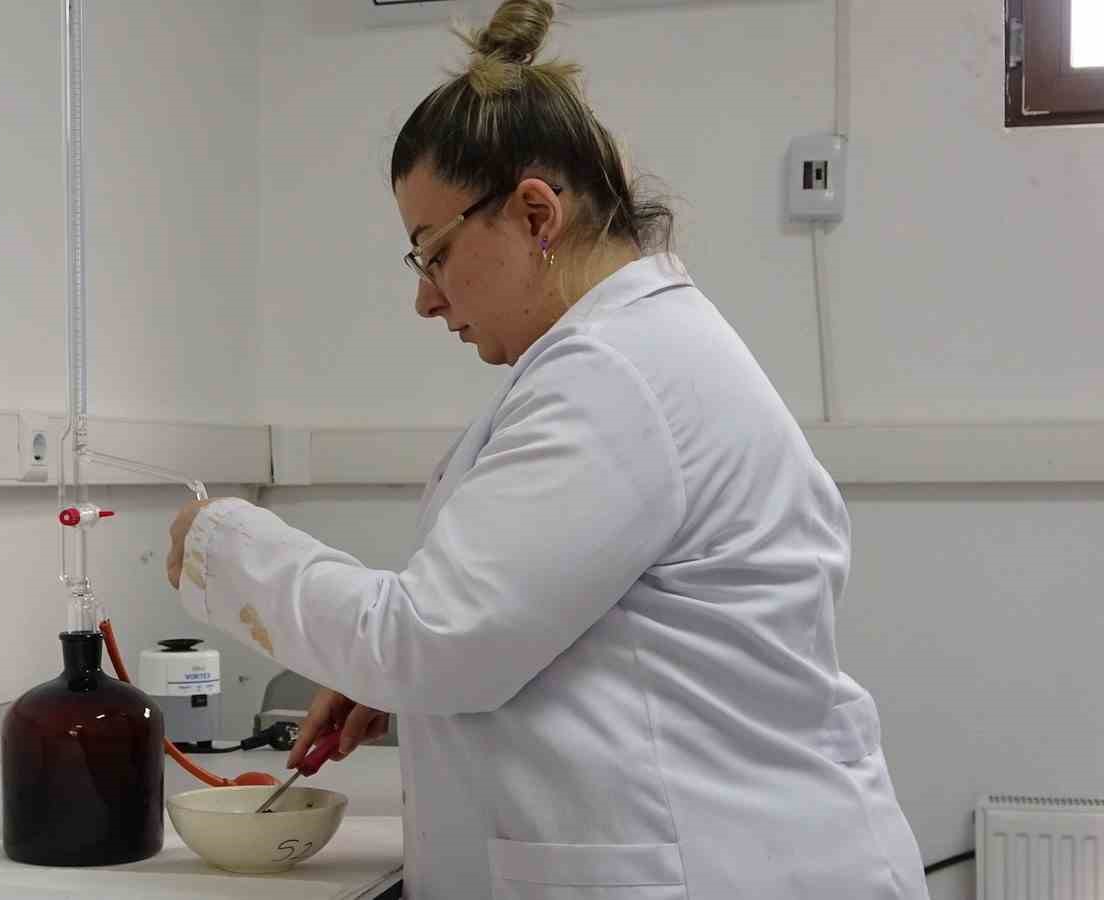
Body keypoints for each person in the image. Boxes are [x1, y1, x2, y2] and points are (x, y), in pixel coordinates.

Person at [165, 1, 928, 897]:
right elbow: (554, 628)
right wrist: (394, 687)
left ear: (535, 214)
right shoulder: (628, 354)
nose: (427, 299)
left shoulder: (617, 374)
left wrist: (225, 545)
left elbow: (433, 639)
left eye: (432, 253)